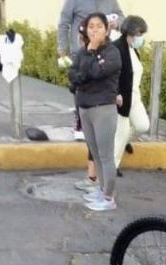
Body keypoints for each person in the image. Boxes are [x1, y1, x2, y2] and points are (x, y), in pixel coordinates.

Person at [68, 12, 121, 212]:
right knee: (96, 154)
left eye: (99, 26)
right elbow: (73, 75)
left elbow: (98, 72)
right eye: (91, 26)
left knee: (106, 155)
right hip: (84, 107)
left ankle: (109, 197)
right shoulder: (83, 52)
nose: (94, 30)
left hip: (103, 108)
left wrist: (90, 57)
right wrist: (86, 67)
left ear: (106, 29)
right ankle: (101, 189)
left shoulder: (112, 52)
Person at [58, 0, 124, 141]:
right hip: (81, 51)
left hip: (104, 51)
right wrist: (62, 49)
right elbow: (64, 23)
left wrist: (115, 23)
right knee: (81, 86)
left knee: (102, 86)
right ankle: (80, 121)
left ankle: (100, 123)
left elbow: (122, 18)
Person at [111, 15, 149, 174]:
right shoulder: (116, 48)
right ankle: (111, 168)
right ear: (131, 32)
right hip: (121, 99)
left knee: (142, 126)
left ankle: (124, 142)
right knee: (121, 133)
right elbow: (111, 74)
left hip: (135, 96)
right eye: (140, 34)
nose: (142, 38)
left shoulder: (133, 50)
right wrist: (115, 94)